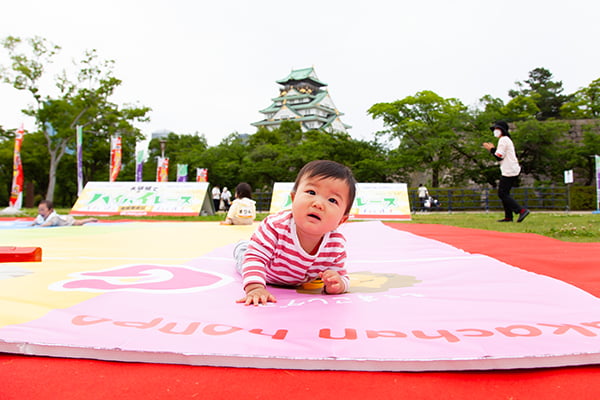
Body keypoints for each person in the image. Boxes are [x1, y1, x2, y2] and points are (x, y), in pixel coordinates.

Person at [234, 160, 357, 306]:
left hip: (297, 279)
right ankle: (242, 246)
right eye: (311, 192)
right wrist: (255, 288)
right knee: (245, 255)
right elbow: (255, 258)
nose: (318, 204)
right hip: (266, 270)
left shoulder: (335, 244)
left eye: (332, 200)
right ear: (293, 199)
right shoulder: (275, 226)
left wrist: (337, 283)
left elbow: (343, 277)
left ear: (342, 220)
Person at [483, 121, 530, 223]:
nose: (495, 132)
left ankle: (521, 210)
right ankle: (508, 217)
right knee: (505, 193)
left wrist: (491, 149)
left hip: (509, 170)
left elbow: (499, 156)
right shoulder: (506, 140)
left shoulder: (503, 140)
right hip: (511, 168)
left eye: (497, 129)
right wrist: (493, 149)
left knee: (502, 193)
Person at [32, 200, 98, 227]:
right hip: (62, 218)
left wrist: (39, 227)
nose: (40, 212)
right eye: (39, 210)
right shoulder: (40, 216)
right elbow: (35, 222)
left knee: (78, 223)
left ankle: (89, 219)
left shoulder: (53, 218)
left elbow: (48, 224)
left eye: (43, 210)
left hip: (66, 220)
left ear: (50, 210)